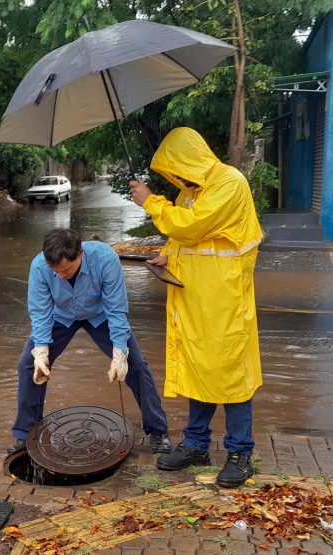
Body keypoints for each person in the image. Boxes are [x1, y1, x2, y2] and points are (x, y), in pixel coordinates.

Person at [128, 127, 264, 488]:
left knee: (231, 375)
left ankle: (240, 453)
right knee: (198, 370)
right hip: (194, 300)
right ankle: (196, 445)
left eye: (177, 169)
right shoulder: (191, 191)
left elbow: (191, 225)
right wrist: (167, 256)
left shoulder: (229, 183)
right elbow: (186, 240)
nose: (177, 178)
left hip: (224, 303)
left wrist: (151, 201)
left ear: (190, 160)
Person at [8, 229, 172, 455]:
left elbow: (116, 309)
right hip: (60, 316)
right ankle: (26, 433)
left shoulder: (105, 259)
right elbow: (40, 312)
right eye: (55, 272)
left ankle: (158, 430)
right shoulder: (39, 266)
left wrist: (119, 353)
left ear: (80, 255)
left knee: (135, 364)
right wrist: (41, 351)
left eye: (66, 270)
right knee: (28, 366)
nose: (61, 276)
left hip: (100, 315)